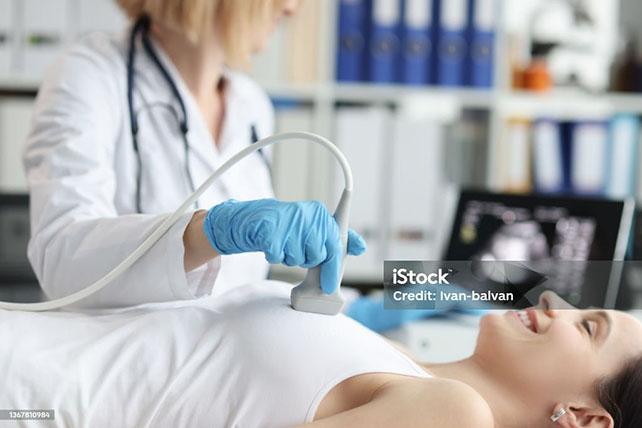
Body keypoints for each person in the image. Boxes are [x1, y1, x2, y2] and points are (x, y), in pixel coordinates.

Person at [23, 0, 365, 308]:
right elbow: (61, 261)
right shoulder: (90, 76)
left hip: (228, 350)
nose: (292, 7)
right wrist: (215, 231)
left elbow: (237, 289)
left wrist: (370, 305)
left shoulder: (250, 104)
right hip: (126, 350)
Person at [2, 286, 641, 427]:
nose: (555, 302)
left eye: (588, 327)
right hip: (32, 351)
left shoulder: (456, 413)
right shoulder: (408, 367)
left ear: (584, 418)